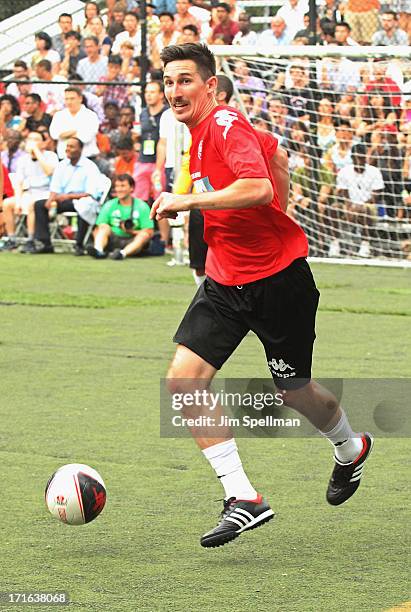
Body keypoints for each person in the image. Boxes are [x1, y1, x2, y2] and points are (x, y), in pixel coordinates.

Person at [151, 43, 374, 548]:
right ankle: (244, 498)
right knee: (183, 384)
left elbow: (257, 187)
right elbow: (275, 152)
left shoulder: (225, 123)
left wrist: (189, 200)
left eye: (186, 80)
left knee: (294, 392)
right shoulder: (201, 135)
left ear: (211, 86)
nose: (175, 90)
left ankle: (350, 446)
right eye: (168, 82)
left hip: (278, 282)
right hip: (225, 281)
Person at [32, 137, 102, 255]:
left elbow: (90, 192)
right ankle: (45, 243)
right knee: (40, 205)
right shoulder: (62, 165)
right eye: (67, 146)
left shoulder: (90, 167)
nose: (68, 149)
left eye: (72, 147)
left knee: (85, 206)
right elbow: (55, 186)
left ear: (80, 149)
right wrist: (51, 199)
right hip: (63, 200)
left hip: (81, 199)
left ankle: (79, 244)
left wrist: (68, 197)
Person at [2, 131, 58, 253]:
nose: (32, 143)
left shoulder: (51, 156)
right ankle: (12, 239)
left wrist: (37, 152)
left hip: (47, 193)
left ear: (43, 143)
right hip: (30, 192)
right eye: (30, 140)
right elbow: (19, 183)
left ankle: (31, 240)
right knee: (7, 203)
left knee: (32, 204)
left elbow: (49, 171)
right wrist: (17, 201)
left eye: (36, 140)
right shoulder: (23, 160)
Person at [87, 173, 154, 260]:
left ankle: (122, 254)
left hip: (133, 240)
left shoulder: (142, 206)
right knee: (103, 227)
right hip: (113, 239)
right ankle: (98, 250)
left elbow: (149, 232)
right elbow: (98, 227)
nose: (119, 189)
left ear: (132, 188)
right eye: (117, 186)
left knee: (144, 235)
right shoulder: (109, 205)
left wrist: (131, 231)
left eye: (123, 186)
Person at [336, 142, 384, 258]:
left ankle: (365, 245)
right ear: (352, 157)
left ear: (365, 157)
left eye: (361, 157)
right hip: (350, 206)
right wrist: (349, 206)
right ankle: (335, 244)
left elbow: (376, 195)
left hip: (369, 206)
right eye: (356, 157)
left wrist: (360, 206)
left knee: (364, 210)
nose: (359, 160)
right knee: (334, 208)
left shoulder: (374, 171)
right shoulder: (344, 171)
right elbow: (343, 192)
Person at [49, 87, 99, 160]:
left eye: (72, 98)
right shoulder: (59, 115)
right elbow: (54, 135)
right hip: (64, 159)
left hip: (87, 158)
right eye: (66, 99)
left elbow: (86, 137)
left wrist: (64, 135)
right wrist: (75, 131)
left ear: (80, 99)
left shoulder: (91, 115)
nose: (69, 102)